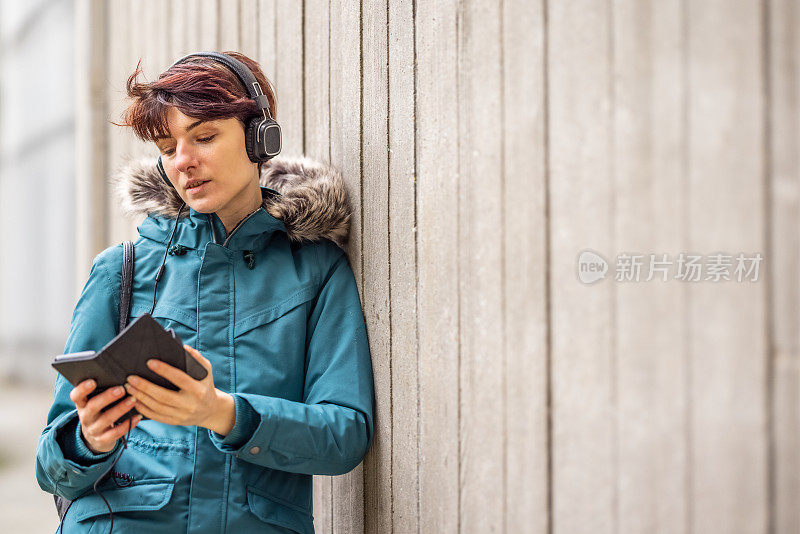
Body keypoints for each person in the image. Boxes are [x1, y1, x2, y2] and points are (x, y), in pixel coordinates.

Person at [35, 50, 375, 533]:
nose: (185, 162)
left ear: (260, 137)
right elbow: (50, 468)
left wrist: (224, 413)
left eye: (205, 137)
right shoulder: (121, 270)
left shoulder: (315, 271)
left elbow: (345, 435)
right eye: (168, 147)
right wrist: (87, 439)